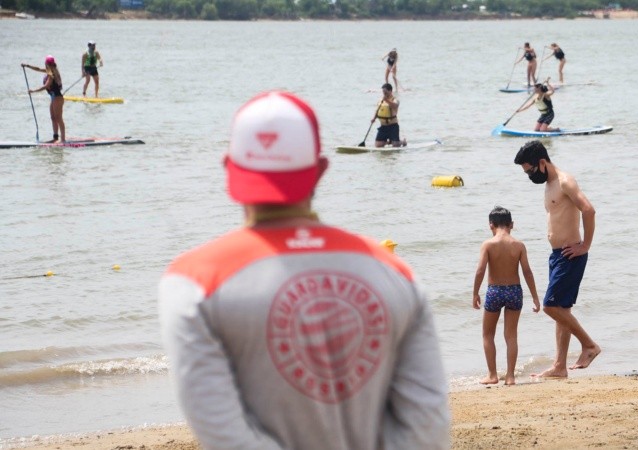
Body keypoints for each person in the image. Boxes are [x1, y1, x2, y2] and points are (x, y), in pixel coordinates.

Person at [158, 91, 449, 450]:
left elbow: (224, 433)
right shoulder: (394, 273)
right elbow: (428, 426)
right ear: (321, 171)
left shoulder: (193, 282)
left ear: (228, 168)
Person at [513, 140, 601, 379]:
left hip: (570, 254)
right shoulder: (549, 184)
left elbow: (589, 210)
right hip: (557, 255)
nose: (530, 175)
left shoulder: (565, 181)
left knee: (551, 306)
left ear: (542, 162)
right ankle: (559, 366)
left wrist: (585, 245)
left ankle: (589, 345)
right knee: (562, 309)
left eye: (530, 170)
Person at [472, 206, 540, 386]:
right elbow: (527, 272)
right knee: (511, 336)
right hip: (514, 291)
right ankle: (510, 376)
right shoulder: (518, 245)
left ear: (490, 225)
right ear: (512, 224)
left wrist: (475, 293)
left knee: (487, 334)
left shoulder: (488, 244)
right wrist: (535, 297)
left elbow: (480, 271)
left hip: (494, 291)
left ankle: (492, 375)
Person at [22, 56, 65, 143]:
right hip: (53, 97)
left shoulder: (52, 74)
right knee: (53, 118)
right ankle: (55, 137)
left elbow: (46, 86)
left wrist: (33, 91)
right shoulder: (48, 70)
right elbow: (38, 69)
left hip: (57, 98)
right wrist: (27, 66)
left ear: (47, 64)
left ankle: (63, 139)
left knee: (58, 118)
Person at [371, 83, 406, 148]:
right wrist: (374, 118)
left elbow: (395, 106)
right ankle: (389, 141)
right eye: (383, 92)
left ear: (390, 91)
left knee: (395, 145)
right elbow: (377, 110)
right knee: (378, 146)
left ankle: (402, 142)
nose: (384, 94)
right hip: (383, 127)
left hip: (393, 126)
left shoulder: (395, 100)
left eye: (386, 92)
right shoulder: (381, 101)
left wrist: (387, 100)